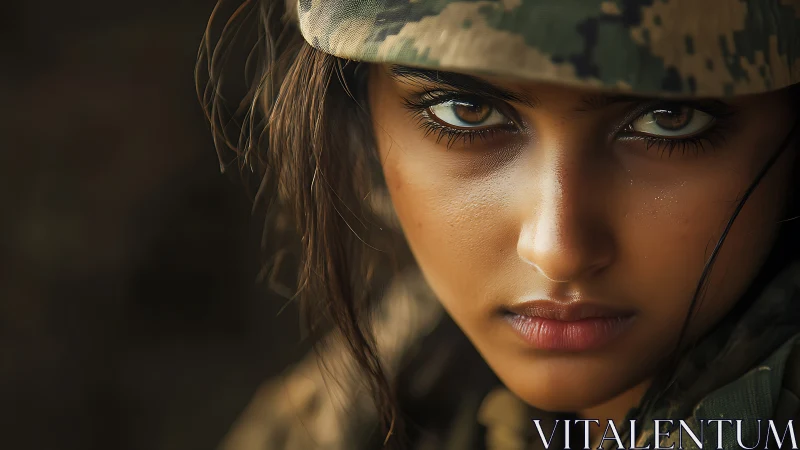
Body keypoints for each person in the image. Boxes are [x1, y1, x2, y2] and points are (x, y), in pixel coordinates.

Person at [197, 0, 800, 448]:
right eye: (467, 111)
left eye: (669, 121)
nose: (556, 250)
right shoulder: (375, 396)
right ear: (361, 112)